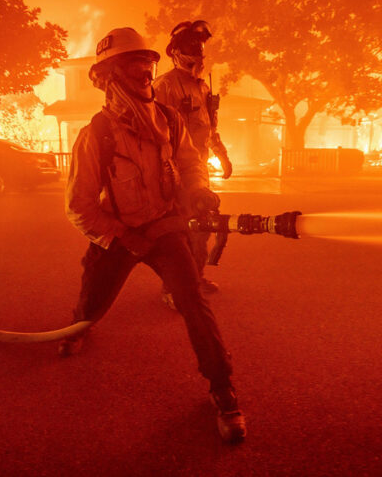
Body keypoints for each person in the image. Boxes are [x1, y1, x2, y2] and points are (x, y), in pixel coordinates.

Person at [59, 27, 246, 444]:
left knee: (194, 303)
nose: (145, 71)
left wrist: (198, 192)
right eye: (133, 64)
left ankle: (222, 389)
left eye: (147, 63)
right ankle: (76, 330)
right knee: (92, 301)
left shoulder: (169, 120)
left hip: (164, 228)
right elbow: (79, 206)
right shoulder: (96, 135)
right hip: (118, 233)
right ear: (108, 76)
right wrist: (123, 238)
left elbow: (191, 162)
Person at [153, 20, 232, 308]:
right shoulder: (164, 86)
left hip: (199, 171)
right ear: (175, 51)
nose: (198, 52)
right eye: (191, 47)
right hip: (175, 173)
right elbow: (153, 132)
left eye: (200, 47)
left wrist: (221, 153)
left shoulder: (201, 86)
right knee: (179, 233)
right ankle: (173, 289)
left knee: (203, 227)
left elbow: (208, 126)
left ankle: (194, 278)